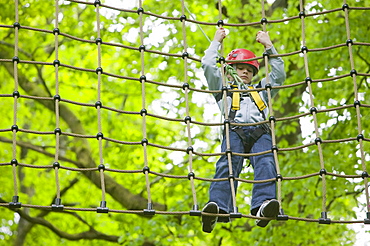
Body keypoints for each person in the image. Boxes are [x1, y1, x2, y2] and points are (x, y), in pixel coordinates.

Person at [201, 27, 286, 233]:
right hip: (235, 130)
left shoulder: (261, 90)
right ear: (230, 70)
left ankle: (263, 206)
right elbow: (207, 65)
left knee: (266, 163)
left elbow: (279, 75)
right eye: (240, 68)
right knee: (227, 166)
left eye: (249, 69)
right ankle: (218, 207)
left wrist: (269, 46)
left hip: (260, 132)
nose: (245, 71)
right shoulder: (223, 89)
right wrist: (216, 42)